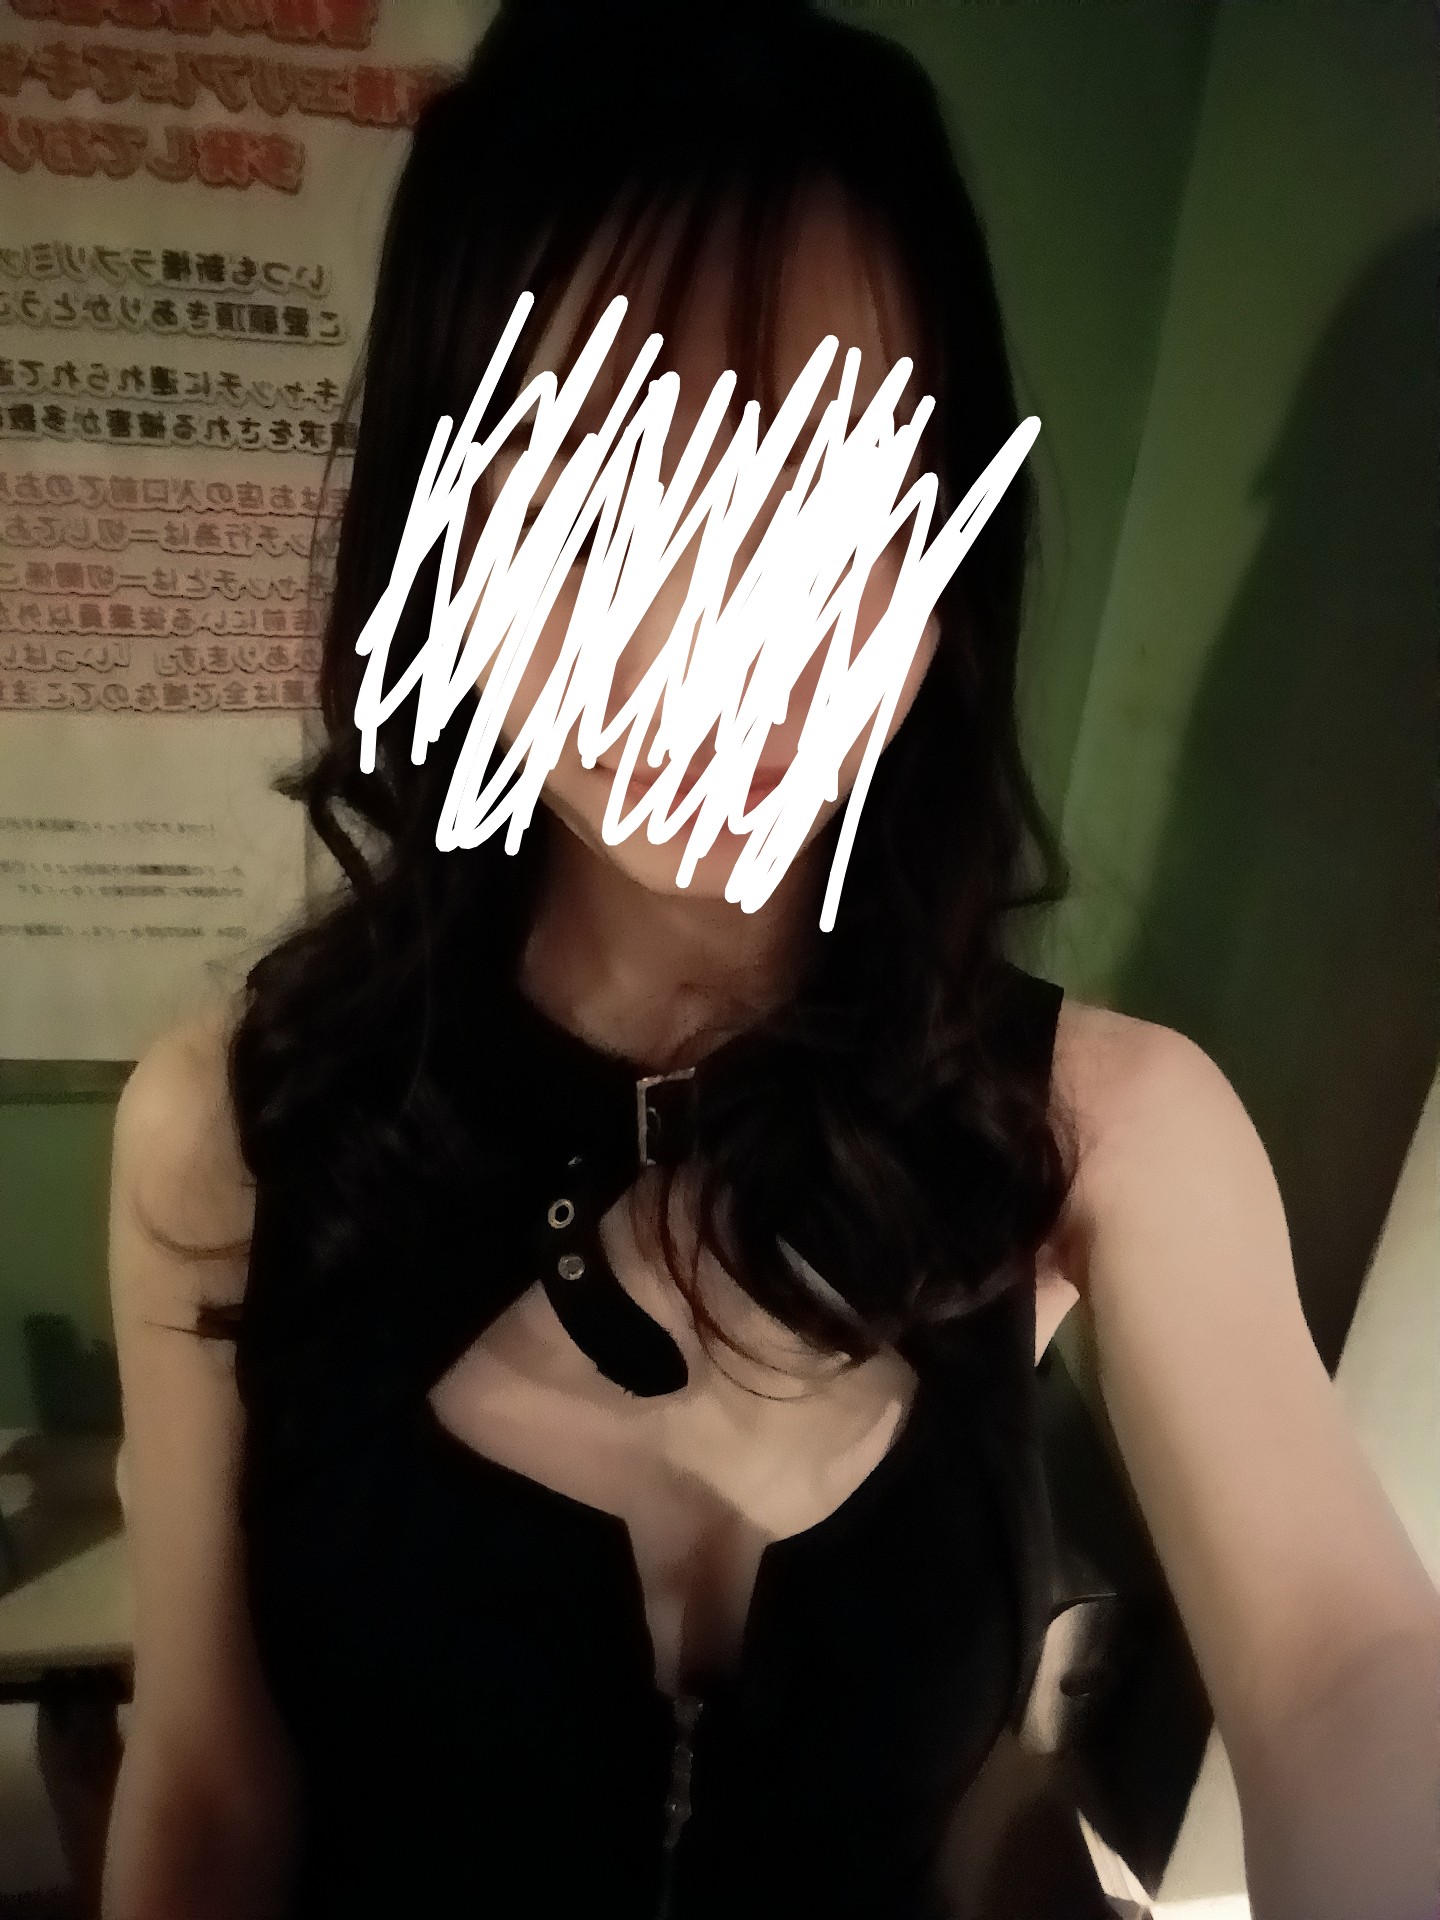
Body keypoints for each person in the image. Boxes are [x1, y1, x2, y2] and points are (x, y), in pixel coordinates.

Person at [99, 4, 1440, 1918]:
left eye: (833, 496)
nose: (724, 641)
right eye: (606, 505)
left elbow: (1347, 1669)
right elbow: (208, 1799)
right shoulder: (227, 1132)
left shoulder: (1110, 1129)